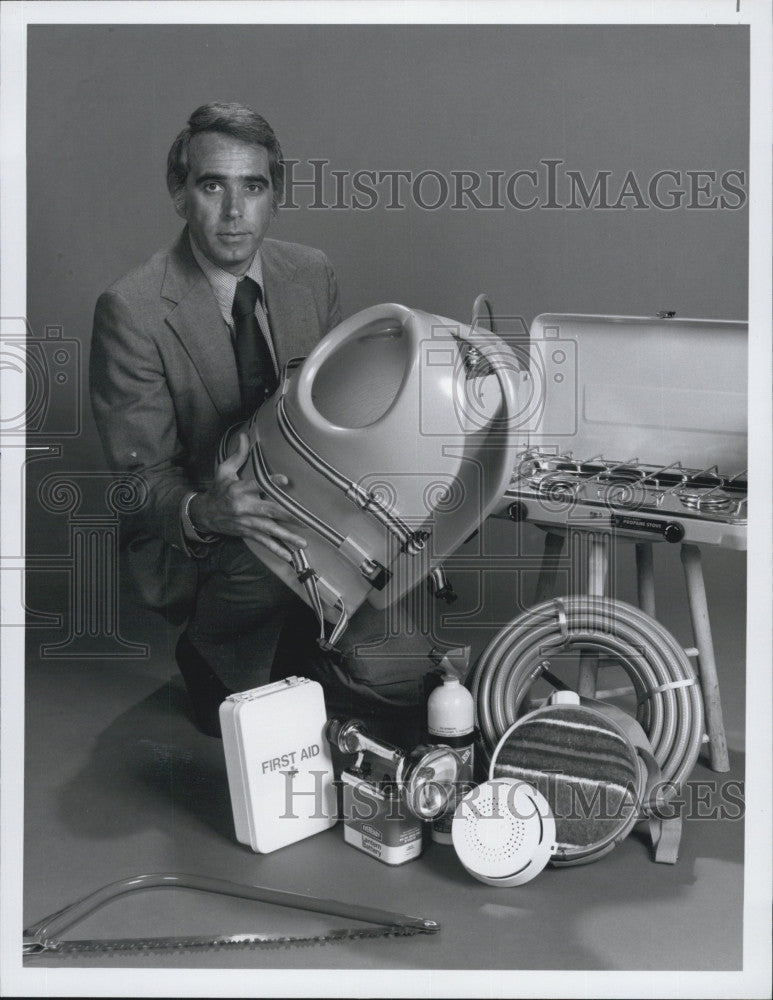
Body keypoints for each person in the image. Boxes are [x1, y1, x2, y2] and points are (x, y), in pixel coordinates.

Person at [90, 102, 343, 736]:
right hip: (209, 542)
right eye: (212, 186)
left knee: (397, 684)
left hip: (316, 517)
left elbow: (341, 413)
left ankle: (310, 640)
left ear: (275, 197)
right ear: (180, 195)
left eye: (253, 187)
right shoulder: (133, 308)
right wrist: (207, 511)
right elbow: (137, 481)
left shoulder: (311, 274)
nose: (235, 212)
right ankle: (210, 650)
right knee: (269, 722)